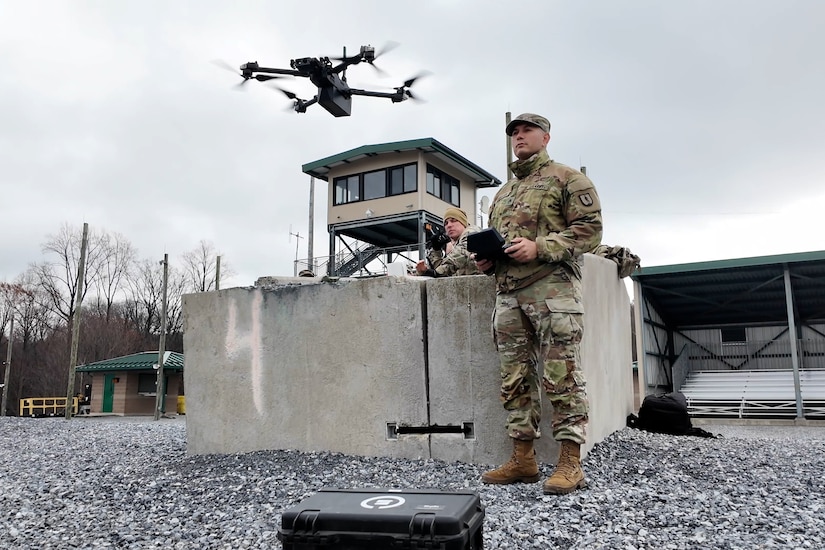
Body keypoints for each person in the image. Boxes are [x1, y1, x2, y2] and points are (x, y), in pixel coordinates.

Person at [475, 113, 602, 495]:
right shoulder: (503, 193)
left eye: (526, 130)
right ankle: (523, 458)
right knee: (514, 377)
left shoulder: (568, 179)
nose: (519, 137)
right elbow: (501, 240)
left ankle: (569, 461)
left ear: (546, 137)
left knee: (562, 374)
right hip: (509, 294)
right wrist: (487, 261)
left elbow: (590, 231)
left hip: (552, 290)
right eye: (514, 132)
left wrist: (540, 246)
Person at [415, 207, 482, 277]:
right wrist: (436, 249)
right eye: (446, 223)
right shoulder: (457, 245)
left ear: (463, 223)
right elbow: (441, 272)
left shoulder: (472, 232)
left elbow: (457, 258)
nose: (449, 225)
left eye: (453, 220)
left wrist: (435, 272)